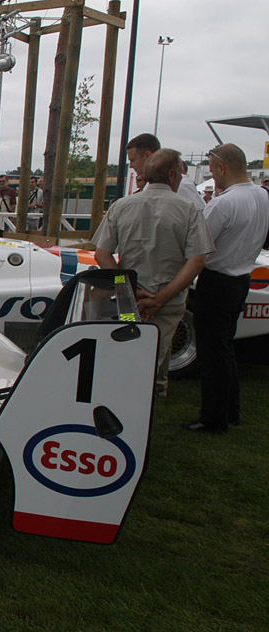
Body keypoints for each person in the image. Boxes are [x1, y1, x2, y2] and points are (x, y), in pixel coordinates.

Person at [93, 149, 213, 398]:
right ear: (172, 174)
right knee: (159, 347)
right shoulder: (189, 209)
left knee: (130, 346)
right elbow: (197, 261)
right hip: (169, 300)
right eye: (180, 173)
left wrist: (129, 289)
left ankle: (147, 389)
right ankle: (148, 394)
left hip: (129, 298)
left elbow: (102, 255)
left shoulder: (121, 207)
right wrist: (161, 298)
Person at [182, 143, 269, 433]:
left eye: (211, 169)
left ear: (221, 168)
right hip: (241, 278)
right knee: (226, 349)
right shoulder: (262, 195)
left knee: (213, 354)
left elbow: (197, 246)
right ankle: (230, 411)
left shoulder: (223, 203)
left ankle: (214, 418)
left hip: (218, 281)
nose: (211, 176)